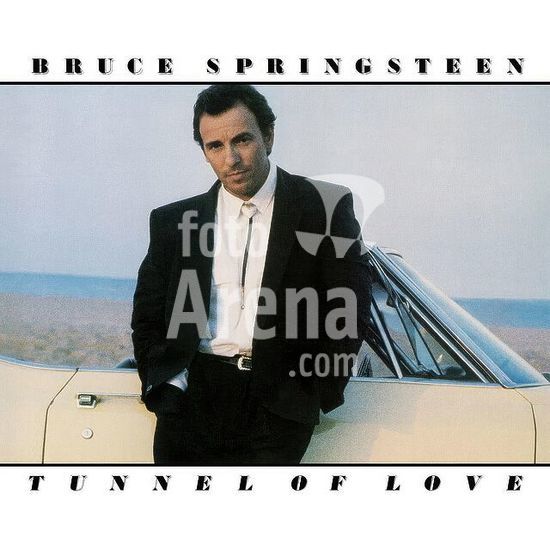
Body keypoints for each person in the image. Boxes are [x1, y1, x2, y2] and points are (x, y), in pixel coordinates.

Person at [131, 84, 371, 465]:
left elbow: (350, 309)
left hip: (278, 408)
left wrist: (315, 393)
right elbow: (147, 317)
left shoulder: (325, 207)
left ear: (268, 136)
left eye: (242, 140)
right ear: (204, 152)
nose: (231, 159)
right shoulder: (173, 222)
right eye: (215, 146)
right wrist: (166, 384)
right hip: (189, 406)